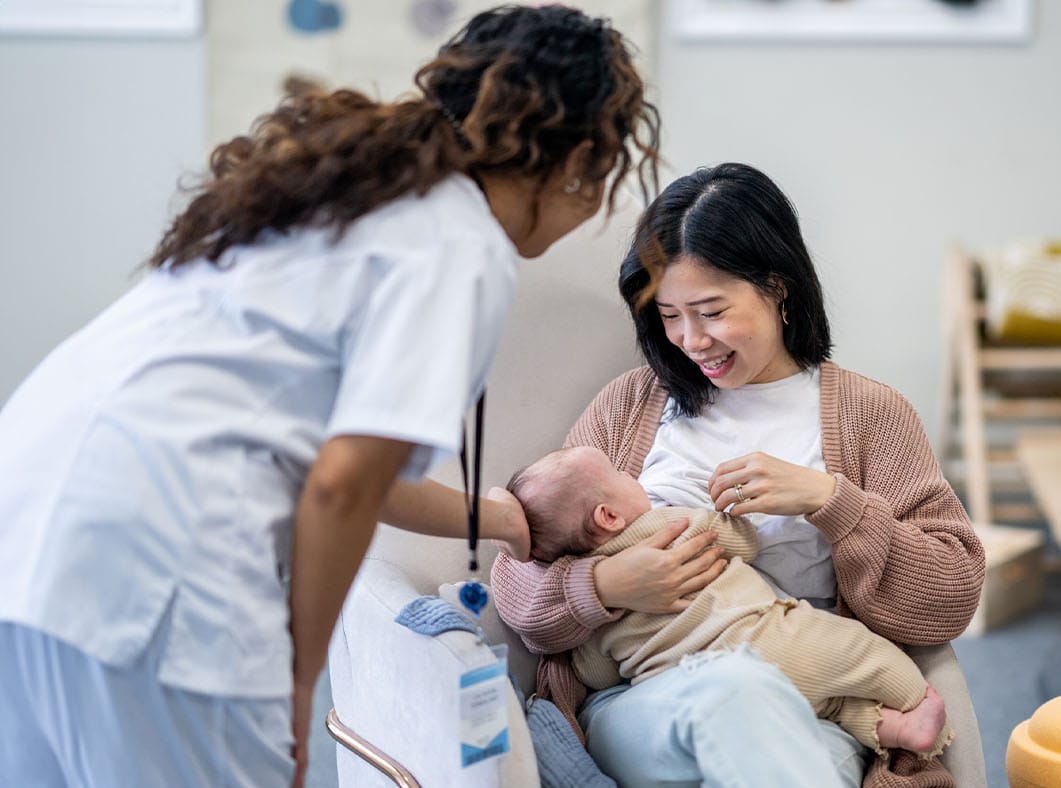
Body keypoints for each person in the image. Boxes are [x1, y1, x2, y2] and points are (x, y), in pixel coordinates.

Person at [0, 5, 658, 786]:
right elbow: (342, 485)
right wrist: (298, 684)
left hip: (30, 520)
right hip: (159, 559)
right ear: (581, 155)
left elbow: (343, 463)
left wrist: (504, 522)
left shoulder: (344, 199)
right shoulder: (460, 242)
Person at [490, 162, 986, 788]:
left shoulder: (869, 415)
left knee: (756, 702)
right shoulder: (630, 404)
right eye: (669, 316)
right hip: (644, 704)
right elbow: (518, 572)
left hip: (815, 709)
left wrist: (833, 502)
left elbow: (949, 597)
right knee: (734, 688)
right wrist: (605, 583)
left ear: (777, 288)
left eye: (711, 311)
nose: (690, 341)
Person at [508, 445, 955, 758]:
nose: (632, 474)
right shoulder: (669, 524)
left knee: (826, 703)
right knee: (857, 650)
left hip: (675, 682)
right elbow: (742, 542)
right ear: (608, 516)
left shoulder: (596, 621)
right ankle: (913, 699)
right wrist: (601, 584)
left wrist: (597, 611)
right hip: (768, 639)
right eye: (621, 475)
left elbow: (594, 671)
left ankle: (890, 729)